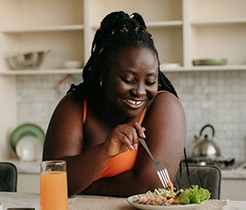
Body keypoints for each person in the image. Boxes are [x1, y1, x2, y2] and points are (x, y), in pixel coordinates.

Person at [43, 11, 186, 197]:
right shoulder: (76, 104)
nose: (140, 91)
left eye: (150, 82)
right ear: (103, 73)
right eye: (128, 79)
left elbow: (150, 186)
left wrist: (86, 186)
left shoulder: (165, 106)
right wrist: (104, 151)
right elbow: (54, 179)